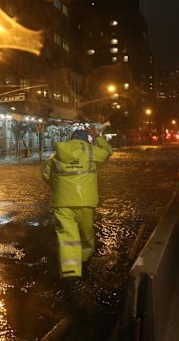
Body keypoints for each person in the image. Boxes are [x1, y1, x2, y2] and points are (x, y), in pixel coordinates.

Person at [41, 127, 113, 301]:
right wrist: (98, 136)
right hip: (85, 201)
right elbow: (107, 152)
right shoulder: (89, 151)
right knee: (85, 232)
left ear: (70, 139)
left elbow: (45, 173)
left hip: (62, 202)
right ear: (85, 140)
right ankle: (85, 260)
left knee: (67, 236)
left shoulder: (57, 153)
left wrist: (57, 187)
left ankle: (70, 273)